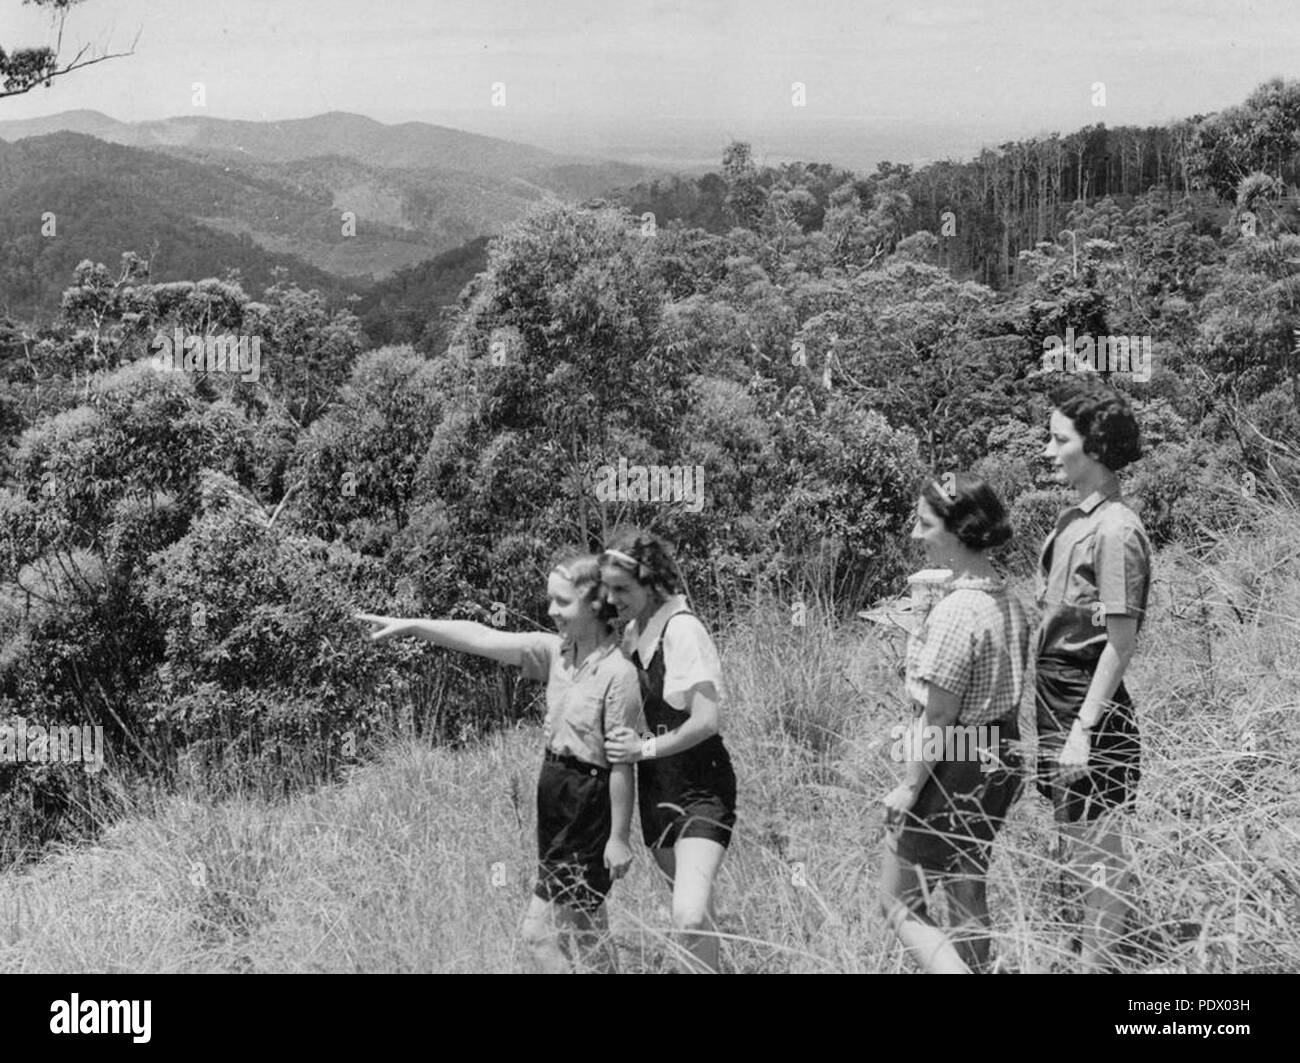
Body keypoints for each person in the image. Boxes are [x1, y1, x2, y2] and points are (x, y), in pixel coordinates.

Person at [355, 554, 641, 973]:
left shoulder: (619, 673)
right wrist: (414, 625)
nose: (550, 611)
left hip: (588, 802)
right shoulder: (554, 654)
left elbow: (622, 764)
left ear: (595, 603)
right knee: (587, 925)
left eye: (562, 602)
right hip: (555, 791)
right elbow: (482, 636)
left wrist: (619, 837)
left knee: (538, 935)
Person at [879, 474, 1030, 973]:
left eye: (925, 524)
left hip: (958, 759)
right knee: (968, 884)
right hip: (1002, 752)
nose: (916, 534)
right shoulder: (1008, 598)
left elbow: (940, 715)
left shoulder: (955, 611)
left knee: (901, 902)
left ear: (959, 529)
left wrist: (908, 785)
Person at [1036, 375, 1150, 972]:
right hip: (1054, 697)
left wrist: (1083, 728)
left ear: (1096, 446)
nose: (1049, 451)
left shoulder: (1117, 529)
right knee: (1073, 848)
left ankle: (1100, 965)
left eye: (1060, 441)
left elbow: (1120, 643)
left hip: (1088, 705)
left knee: (1098, 853)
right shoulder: (1069, 521)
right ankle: (1075, 956)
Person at [599, 530, 737, 973]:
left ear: (652, 582)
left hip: (701, 787)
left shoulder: (683, 630)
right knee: (696, 919)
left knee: (689, 914)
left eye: (622, 588)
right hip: (656, 791)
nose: (613, 599)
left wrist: (645, 747)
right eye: (608, 589)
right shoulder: (634, 636)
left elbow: (706, 719)